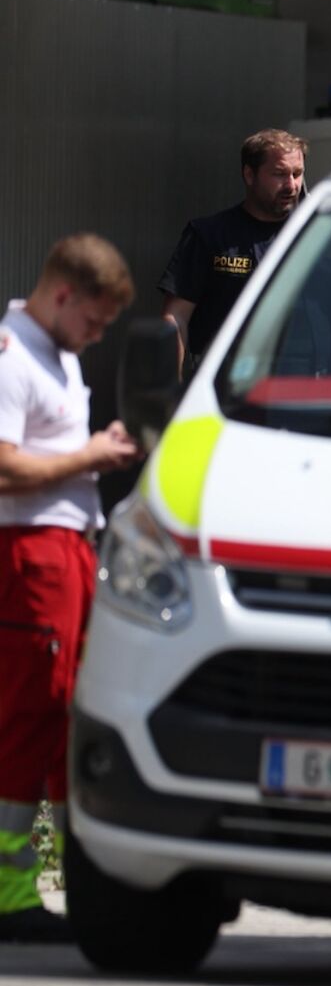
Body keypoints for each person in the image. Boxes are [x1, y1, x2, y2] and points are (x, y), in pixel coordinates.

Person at [0, 233, 139, 942]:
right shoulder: (12, 357)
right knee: (31, 714)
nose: (98, 334)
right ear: (62, 295)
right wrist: (90, 454)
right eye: (94, 319)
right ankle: (10, 894)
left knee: (64, 717)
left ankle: (47, 881)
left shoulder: (58, 353)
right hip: (30, 556)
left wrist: (93, 453)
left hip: (67, 552)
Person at [158, 128, 307, 375]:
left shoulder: (315, 235)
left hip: (303, 384)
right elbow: (176, 318)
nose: (291, 185)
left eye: (297, 174)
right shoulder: (208, 235)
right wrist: (168, 388)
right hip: (223, 383)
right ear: (249, 175)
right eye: (279, 174)